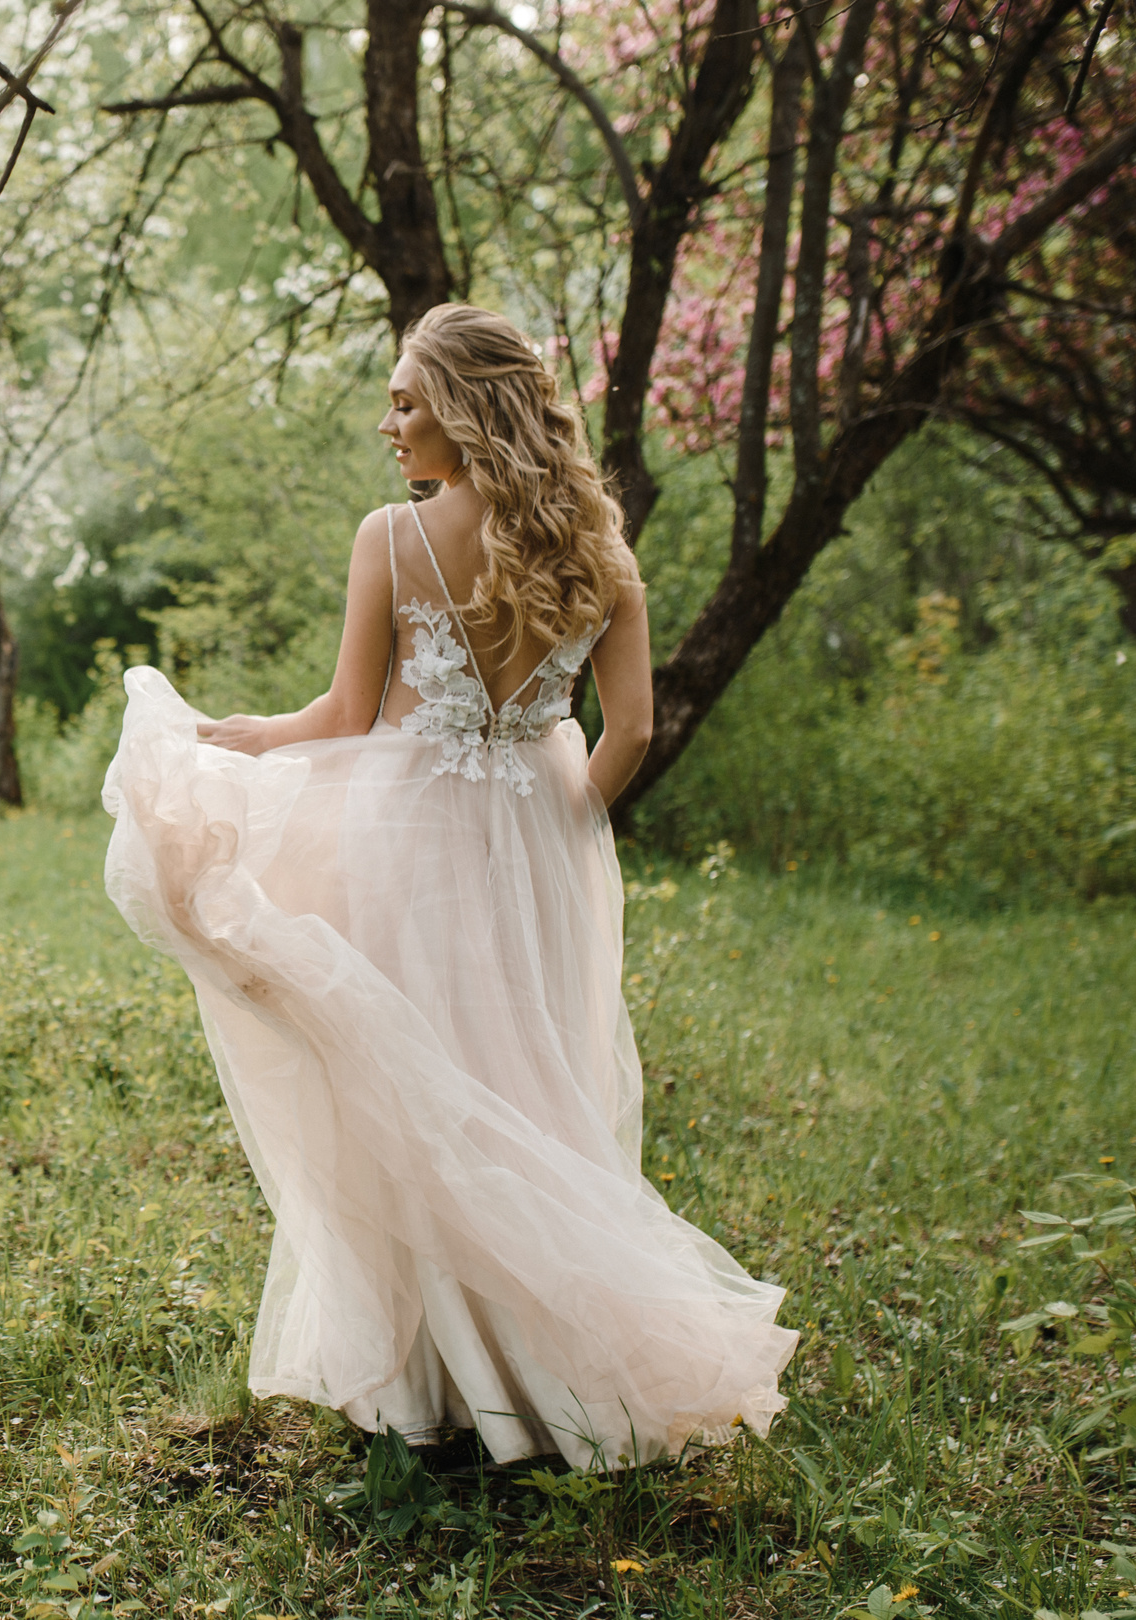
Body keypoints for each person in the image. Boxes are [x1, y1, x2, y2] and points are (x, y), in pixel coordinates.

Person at [101, 303, 796, 1472]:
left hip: (405, 830)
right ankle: (535, 1371)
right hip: (539, 838)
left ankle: (437, 1383)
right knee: (528, 1075)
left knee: (411, 1078)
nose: (390, 426)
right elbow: (630, 728)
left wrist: (249, 737)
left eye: (406, 402)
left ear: (465, 409)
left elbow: (344, 713)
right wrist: (566, 818)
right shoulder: (600, 552)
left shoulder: (393, 537)